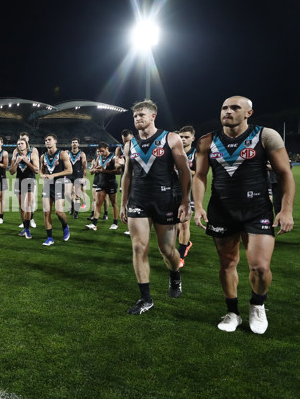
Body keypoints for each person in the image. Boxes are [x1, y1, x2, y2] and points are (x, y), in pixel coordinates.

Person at [193, 96, 295, 334]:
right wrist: (198, 205)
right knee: (227, 263)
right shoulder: (207, 141)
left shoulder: (266, 136)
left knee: (260, 267)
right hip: (221, 211)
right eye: (224, 108)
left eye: (234, 107)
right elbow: (199, 176)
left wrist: (286, 209)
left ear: (249, 113)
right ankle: (232, 312)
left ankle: (257, 305)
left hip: (257, 210)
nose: (227, 111)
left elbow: (284, 173)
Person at [120, 99, 191, 315]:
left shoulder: (170, 138)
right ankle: (146, 299)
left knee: (167, 251)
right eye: (135, 116)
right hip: (138, 201)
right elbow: (127, 175)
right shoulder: (129, 144)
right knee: (139, 247)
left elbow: (184, 170)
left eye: (141, 115)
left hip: (165, 201)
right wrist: (124, 203)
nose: (137, 118)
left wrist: (185, 201)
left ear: (153, 116)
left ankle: (175, 275)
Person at [39, 134, 73, 246]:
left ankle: (65, 226)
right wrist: (43, 176)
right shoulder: (43, 157)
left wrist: (54, 175)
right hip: (47, 185)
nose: (47, 141)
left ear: (55, 141)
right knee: (46, 212)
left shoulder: (62, 154)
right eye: (45, 140)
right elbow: (41, 172)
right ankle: (49, 238)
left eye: (49, 140)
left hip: (59, 184)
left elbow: (69, 171)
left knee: (58, 212)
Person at [86, 142, 120, 231]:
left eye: (102, 151)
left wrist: (104, 171)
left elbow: (119, 171)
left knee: (113, 203)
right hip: (101, 183)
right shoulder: (99, 157)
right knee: (98, 203)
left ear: (107, 148)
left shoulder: (113, 158)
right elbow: (95, 168)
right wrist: (94, 170)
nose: (101, 153)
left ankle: (115, 223)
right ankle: (94, 224)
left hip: (111, 183)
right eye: (99, 151)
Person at [9, 137, 39, 238]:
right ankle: (25, 228)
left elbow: (36, 170)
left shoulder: (32, 155)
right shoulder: (15, 156)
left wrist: (27, 162)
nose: (20, 145)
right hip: (19, 182)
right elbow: (11, 172)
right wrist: (17, 162)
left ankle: (27, 229)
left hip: (30, 181)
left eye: (22, 143)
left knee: (28, 206)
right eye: (18, 144)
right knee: (22, 208)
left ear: (26, 145)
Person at [176, 126, 196, 267]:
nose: (183, 139)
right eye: (181, 137)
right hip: (173, 192)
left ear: (192, 138)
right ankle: (186, 243)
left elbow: (199, 172)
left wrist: (183, 170)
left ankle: (181, 256)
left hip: (189, 194)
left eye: (186, 137)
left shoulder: (197, 153)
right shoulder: (174, 153)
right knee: (175, 226)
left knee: (184, 224)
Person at [116, 129, 134, 235]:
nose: (126, 143)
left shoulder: (138, 147)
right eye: (124, 141)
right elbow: (116, 165)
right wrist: (120, 164)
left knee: (136, 203)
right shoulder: (120, 149)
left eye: (128, 140)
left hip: (137, 179)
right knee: (127, 203)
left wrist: (126, 162)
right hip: (125, 178)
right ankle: (130, 228)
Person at [66, 137, 87, 219]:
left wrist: (84, 177)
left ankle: (76, 213)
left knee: (77, 195)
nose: (74, 143)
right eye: (73, 142)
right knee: (67, 193)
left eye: (76, 142)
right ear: (71, 144)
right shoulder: (67, 153)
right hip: (69, 175)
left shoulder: (82, 154)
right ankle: (71, 205)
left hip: (78, 176)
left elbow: (84, 167)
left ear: (78, 144)